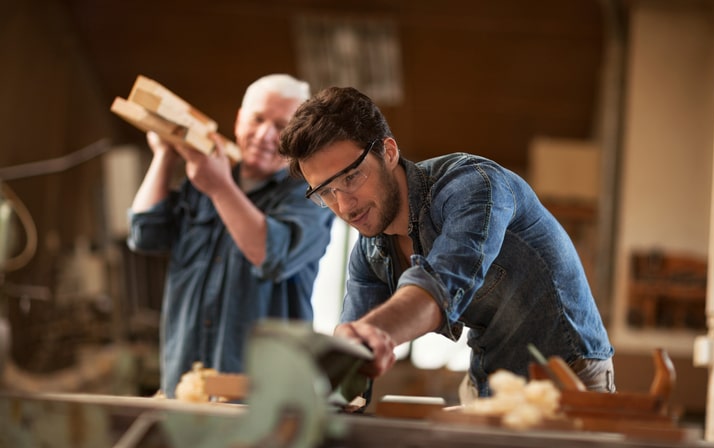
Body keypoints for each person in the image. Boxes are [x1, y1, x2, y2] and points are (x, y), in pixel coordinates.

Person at [278, 86, 615, 401]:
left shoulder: (473, 187)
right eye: (326, 192)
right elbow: (352, 346)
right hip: (491, 381)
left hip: (571, 377)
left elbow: (440, 287)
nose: (345, 206)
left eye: (351, 177)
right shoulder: (370, 254)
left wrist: (373, 333)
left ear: (388, 152)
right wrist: (325, 385)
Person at [127, 74, 335, 398]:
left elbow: (271, 255)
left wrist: (220, 187)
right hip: (186, 386)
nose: (266, 135)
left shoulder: (311, 197)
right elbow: (144, 233)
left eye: (281, 125)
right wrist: (164, 154)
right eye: (257, 119)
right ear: (239, 119)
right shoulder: (204, 181)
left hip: (263, 402)